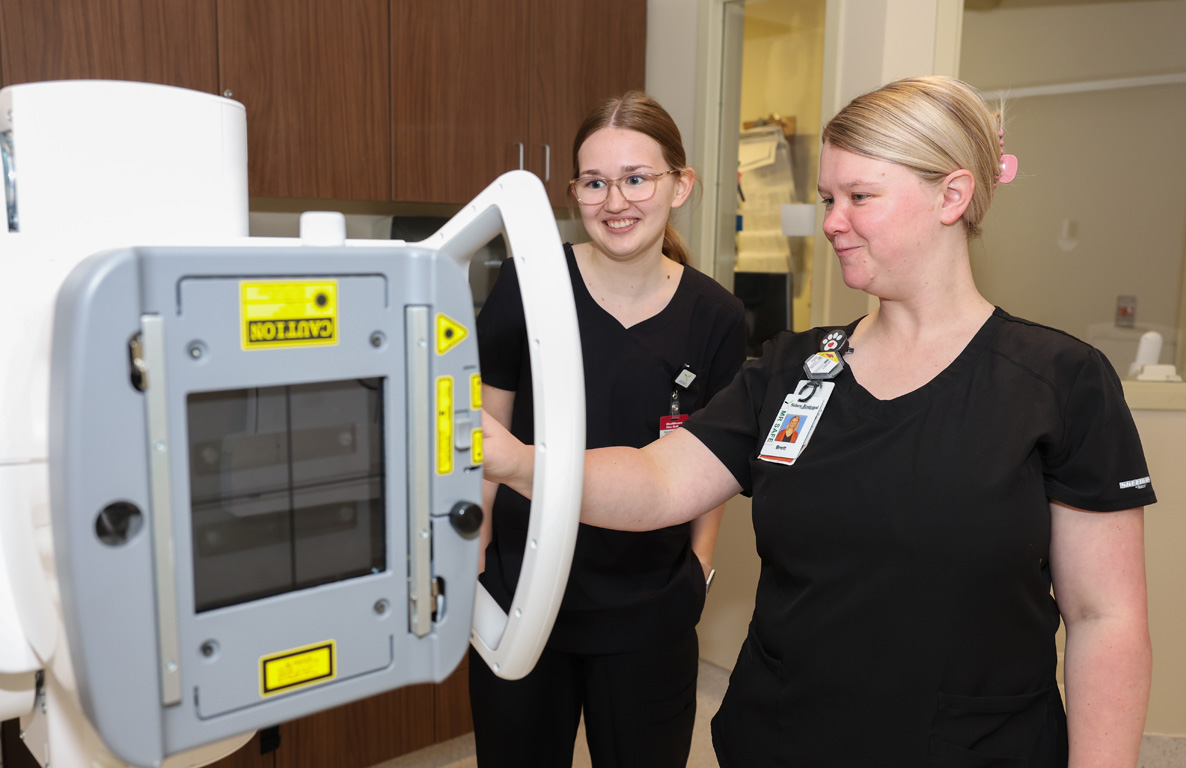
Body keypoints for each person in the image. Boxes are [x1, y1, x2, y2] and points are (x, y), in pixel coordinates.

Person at [482, 76, 1155, 767]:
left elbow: (1107, 619)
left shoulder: (1059, 382)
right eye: (830, 198)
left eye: (860, 197)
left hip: (971, 746)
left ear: (951, 196)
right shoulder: (796, 369)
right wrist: (512, 460)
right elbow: (657, 482)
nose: (833, 220)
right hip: (781, 740)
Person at [469, 91, 747, 767]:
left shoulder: (715, 317)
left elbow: (712, 466)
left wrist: (701, 567)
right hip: (525, 594)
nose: (614, 201)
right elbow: (484, 435)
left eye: (636, 178)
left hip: (650, 609)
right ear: (573, 191)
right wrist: (472, 560)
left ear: (680, 185)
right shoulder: (527, 288)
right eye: (594, 182)